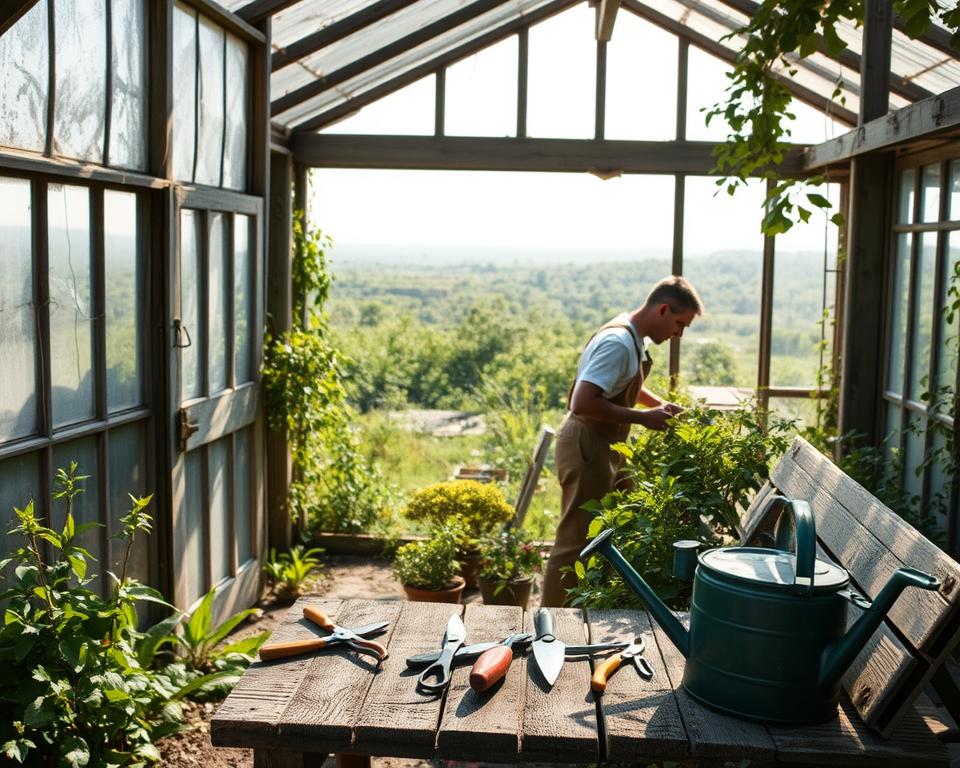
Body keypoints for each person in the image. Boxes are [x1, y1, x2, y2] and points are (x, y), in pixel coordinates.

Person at [540, 275, 704, 607]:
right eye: (679, 324)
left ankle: (603, 602)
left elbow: (621, 384)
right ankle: (550, 621)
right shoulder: (617, 343)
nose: (679, 335)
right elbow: (582, 402)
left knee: (629, 516)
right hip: (586, 444)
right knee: (575, 541)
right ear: (663, 310)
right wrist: (644, 418)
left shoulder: (632, 336)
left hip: (606, 445)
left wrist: (657, 406)